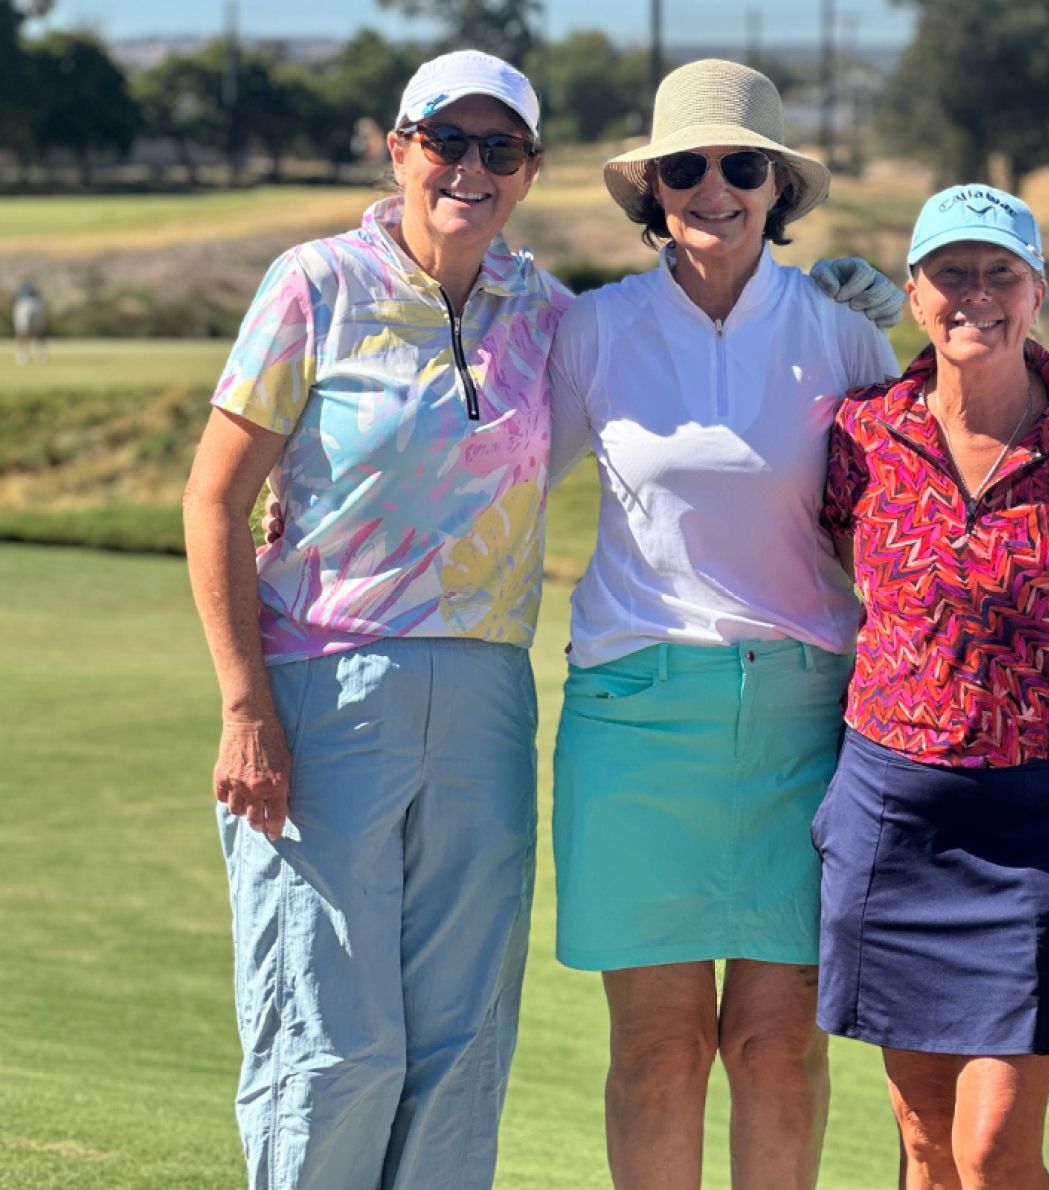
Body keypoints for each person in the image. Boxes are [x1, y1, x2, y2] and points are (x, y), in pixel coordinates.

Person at [184, 51, 568, 1188]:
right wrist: (245, 705)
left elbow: (679, 348)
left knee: (461, 1044)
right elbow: (213, 499)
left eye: (499, 148)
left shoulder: (547, 311)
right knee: (330, 1044)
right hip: (323, 691)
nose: (469, 168)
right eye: (445, 141)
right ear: (398, 151)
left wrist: (830, 302)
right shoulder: (317, 284)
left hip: (487, 698)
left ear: (529, 169)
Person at [545, 59, 901, 1190]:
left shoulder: (841, 333)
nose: (714, 188)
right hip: (635, 722)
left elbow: (903, 522)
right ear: (653, 189)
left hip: (804, 722)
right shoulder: (595, 328)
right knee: (657, 1050)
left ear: (776, 187)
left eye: (742, 166)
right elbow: (493, 477)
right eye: (686, 167)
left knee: (776, 1046)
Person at [816, 185, 1049, 1189]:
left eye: (1002, 272)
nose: (976, 295)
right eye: (950, 273)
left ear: (1037, 291)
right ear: (914, 295)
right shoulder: (862, 431)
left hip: (1043, 823)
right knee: (924, 1139)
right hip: (893, 812)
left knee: (992, 1148)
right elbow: (841, 562)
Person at [13, 279, 46, 363]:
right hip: (36, 304)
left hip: (24, 305)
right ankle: (40, 354)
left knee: (22, 331)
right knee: (37, 331)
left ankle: (23, 354)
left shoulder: (20, 291)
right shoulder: (34, 291)